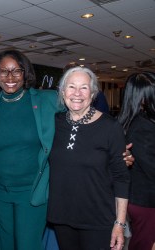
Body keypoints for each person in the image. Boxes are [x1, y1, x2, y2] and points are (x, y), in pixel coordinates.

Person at [0, 49, 63, 250]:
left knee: (28, 246)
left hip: (32, 193)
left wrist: (110, 146)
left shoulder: (47, 100)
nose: (10, 77)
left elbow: (79, 118)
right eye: (4, 71)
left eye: (16, 71)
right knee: (4, 246)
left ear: (25, 73)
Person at [47, 66, 130, 250]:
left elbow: (121, 178)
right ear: (62, 92)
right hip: (62, 217)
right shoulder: (53, 122)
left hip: (98, 220)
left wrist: (120, 224)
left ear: (93, 93)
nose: (77, 93)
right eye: (71, 87)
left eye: (84, 87)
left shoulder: (110, 127)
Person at [118, 72, 155, 250]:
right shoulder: (142, 126)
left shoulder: (131, 122)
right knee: (144, 243)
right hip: (146, 199)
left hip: (140, 197)